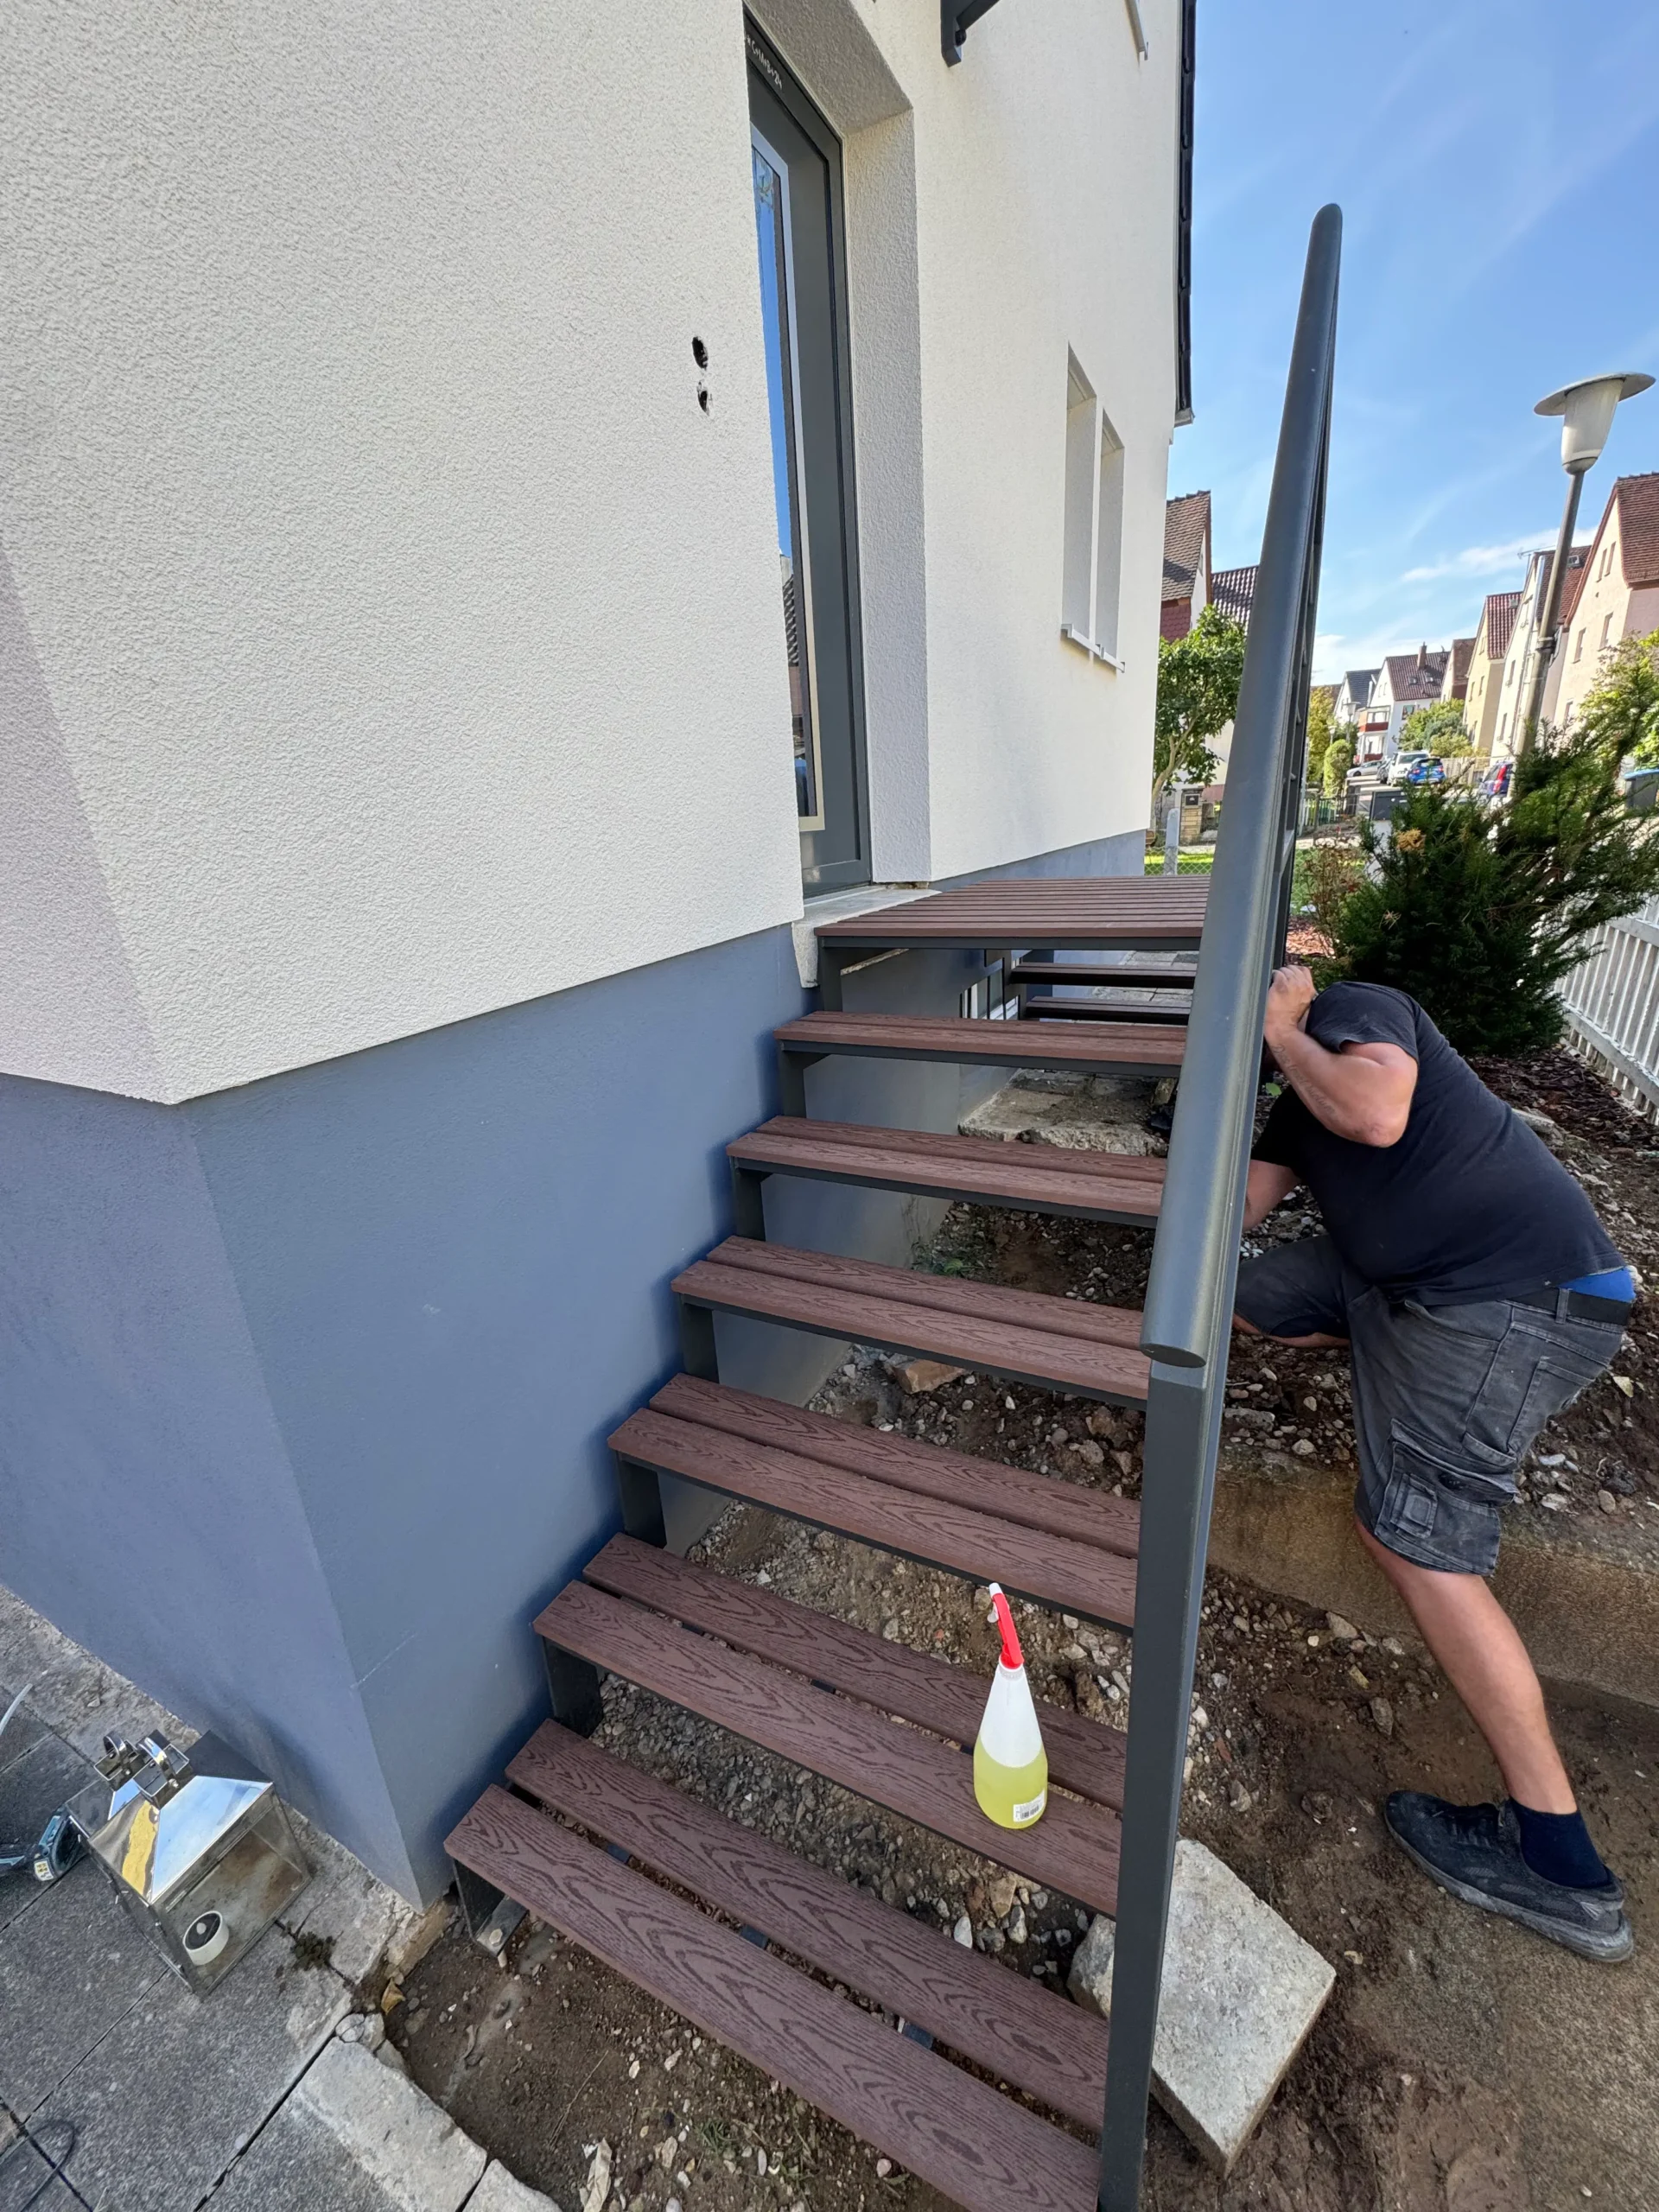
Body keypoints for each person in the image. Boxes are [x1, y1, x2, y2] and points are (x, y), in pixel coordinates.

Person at [1236, 965, 1635, 1963]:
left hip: (1523, 1298)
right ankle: (1405, 1361)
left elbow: (1375, 1113)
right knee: (1248, 1297)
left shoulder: (1353, 1011)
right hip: (1431, 1288)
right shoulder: (1295, 1105)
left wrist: (1283, 1030)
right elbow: (1233, 1212)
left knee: (1413, 1541)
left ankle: (1558, 1860)